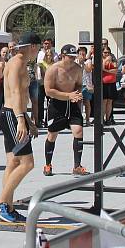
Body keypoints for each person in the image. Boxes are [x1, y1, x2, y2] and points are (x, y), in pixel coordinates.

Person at [0, 32, 41, 224]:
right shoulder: (18, 62)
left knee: (12, 163)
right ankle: (1, 202)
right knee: (27, 163)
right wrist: (21, 119)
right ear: (33, 47)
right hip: (12, 115)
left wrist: (27, 120)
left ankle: (8, 207)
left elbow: (17, 95)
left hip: (12, 114)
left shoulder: (15, 62)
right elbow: (14, 92)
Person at [42, 45, 88, 177]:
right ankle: (48, 164)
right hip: (57, 104)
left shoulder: (78, 69)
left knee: (78, 130)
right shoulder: (53, 69)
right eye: (70, 57)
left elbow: (79, 84)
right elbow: (49, 91)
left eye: (74, 57)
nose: (73, 60)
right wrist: (68, 95)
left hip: (72, 103)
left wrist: (78, 93)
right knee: (52, 134)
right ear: (63, 55)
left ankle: (77, 166)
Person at [100, 48, 118, 124]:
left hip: (112, 82)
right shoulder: (101, 60)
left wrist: (107, 70)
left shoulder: (113, 61)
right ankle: (102, 119)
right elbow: (101, 69)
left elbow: (115, 71)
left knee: (110, 101)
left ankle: (108, 119)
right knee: (104, 101)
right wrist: (105, 61)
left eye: (108, 53)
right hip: (103, 83)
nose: (107, 54)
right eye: (105, 52)